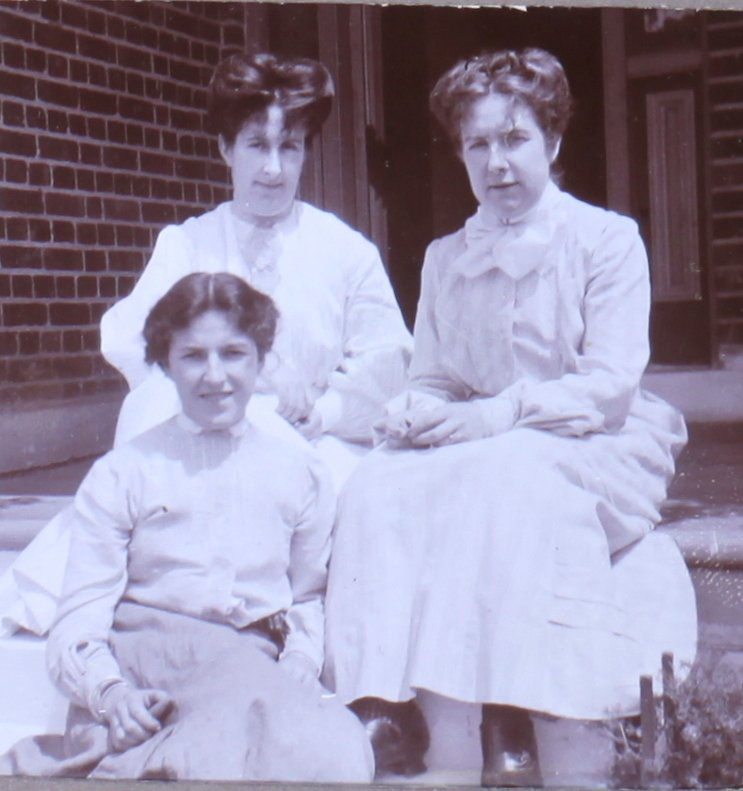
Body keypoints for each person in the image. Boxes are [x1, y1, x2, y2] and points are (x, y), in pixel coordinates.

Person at [323, 48, 697, 785]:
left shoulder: (605, 240)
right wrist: (417, 413)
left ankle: (508, 716)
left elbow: (611, 384)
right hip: (482, 439)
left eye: (514, 139)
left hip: (598, 438)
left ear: (552, 142)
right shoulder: (442, 257)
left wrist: (496, 417)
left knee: (508, 472)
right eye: (477, 144)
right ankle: (379, 704)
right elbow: (433, 374)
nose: (496, 163)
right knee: (376, 479)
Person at [0, 51, 411, 637]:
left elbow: (388, 363)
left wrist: (320, 409)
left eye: (288, 147)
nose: (272, 168)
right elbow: (130, 338)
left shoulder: (345, 252)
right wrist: (246, 382)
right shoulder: (189, 244)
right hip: (199, 430)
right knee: (148, 420)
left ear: (305, 153)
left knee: (350, 496)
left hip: (306, 441)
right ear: (225, 150)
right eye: (255, 146)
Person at [0, 273, 374, 782]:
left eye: (233, 353)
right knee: (224, 756)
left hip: (247, 663)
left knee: (338, 754)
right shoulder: (125, 471)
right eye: (193, 356)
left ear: (261, 360)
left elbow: (306, 595)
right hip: (142, 668)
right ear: (165, 365)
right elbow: (79, 618)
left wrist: (302, 660)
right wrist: (110, 694)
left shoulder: (298, 471)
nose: (214, 376)